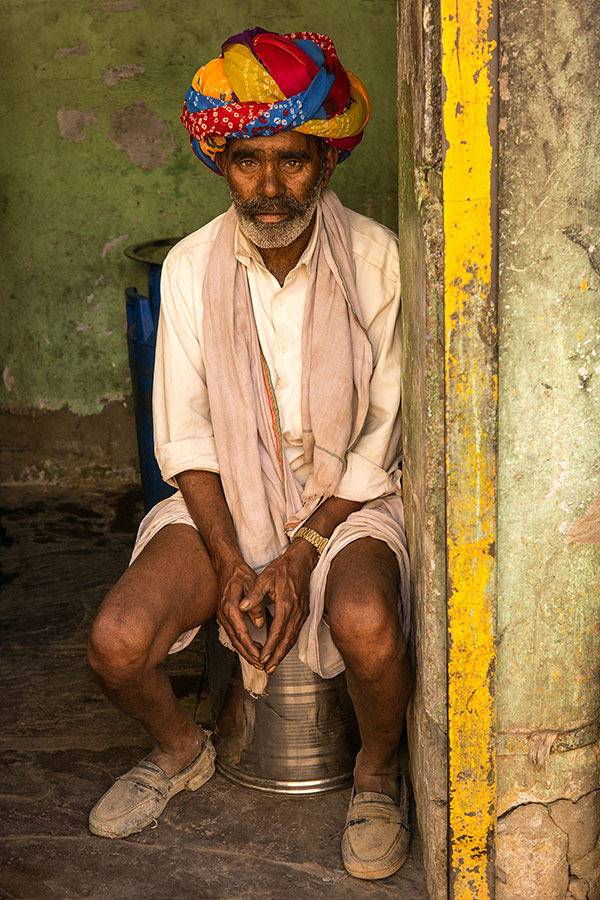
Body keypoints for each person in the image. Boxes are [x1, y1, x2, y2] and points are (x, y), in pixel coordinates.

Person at [87, 27, 413, 881]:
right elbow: (187, 439)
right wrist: (233, 560)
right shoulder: (192, 268)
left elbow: (381, 435)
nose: (268, 188)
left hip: (345, 503)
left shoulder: (378, 259)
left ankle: (378, 773)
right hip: (222, 503)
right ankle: (184, 746)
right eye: (245, 161)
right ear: (219, 163)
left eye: (291, 161)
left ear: (326, 162)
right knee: (117, 642)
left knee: (370, 625)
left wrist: (303, 554)